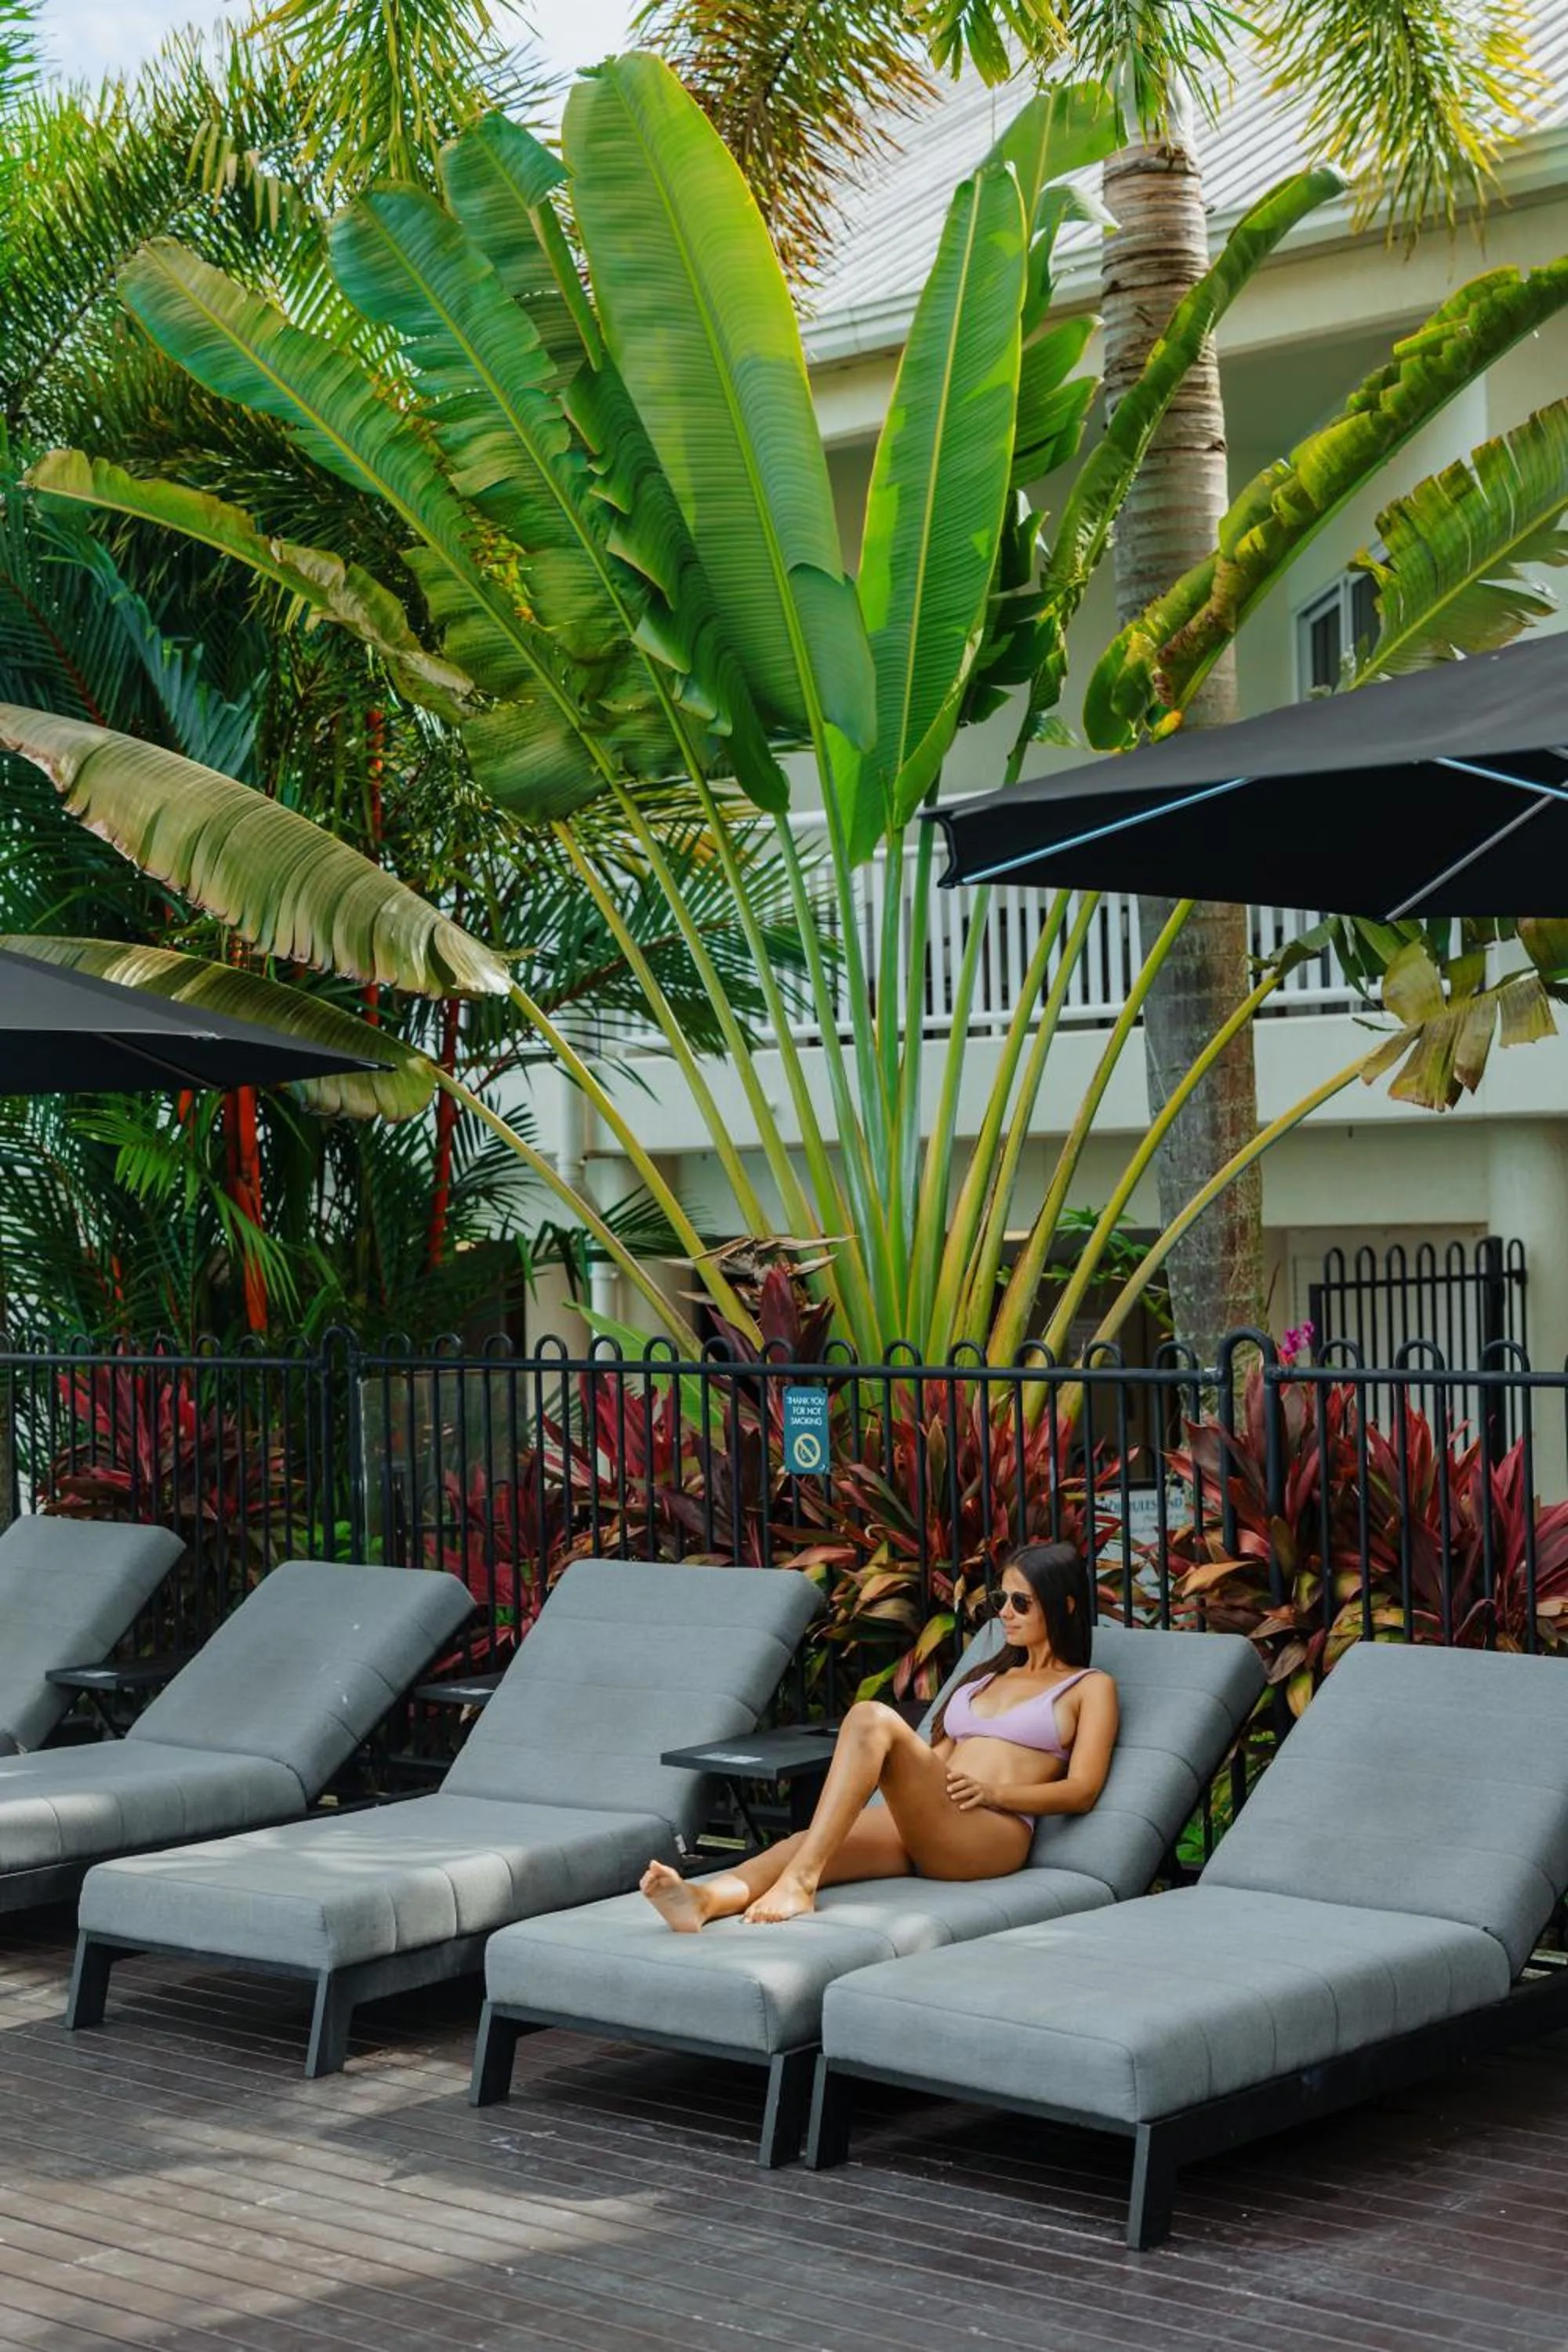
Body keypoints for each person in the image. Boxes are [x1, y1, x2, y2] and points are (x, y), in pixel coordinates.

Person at [640, 1538, 1119, 1931]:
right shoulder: (985, 1678)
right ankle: (703, 1900)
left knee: (870, 1717)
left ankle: (801, 1883)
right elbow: (933, 1762)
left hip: (990, 1832)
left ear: (1065, 1606)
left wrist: (996, 1793)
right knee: (805, 1843)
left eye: (1021, 1602)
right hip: (935, 1818)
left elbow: (1083, 1790)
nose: (1006, 1613)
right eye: (1000, 1600)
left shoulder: (1088, 1687)